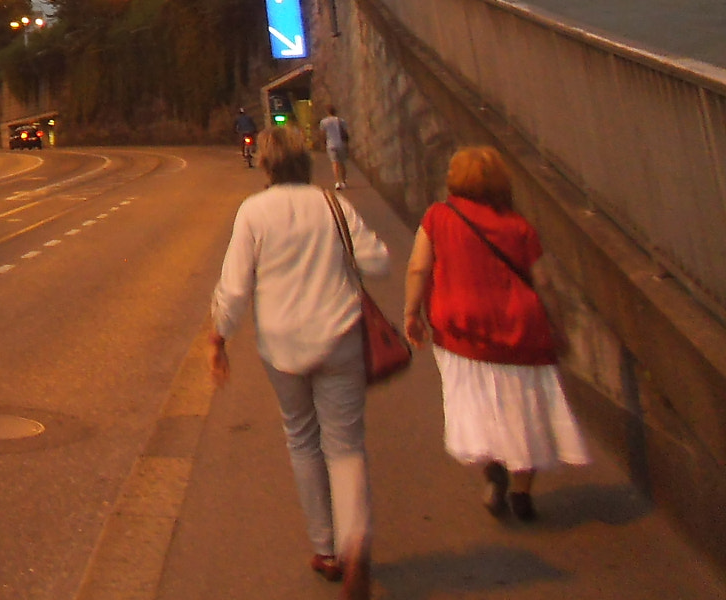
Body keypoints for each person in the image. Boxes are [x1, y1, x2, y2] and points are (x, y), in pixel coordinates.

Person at [210, 125, 388, 597]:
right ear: (305, 162)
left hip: (282, 345)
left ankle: (326, 548)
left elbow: (234, 287)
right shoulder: (334, 204)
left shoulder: (253, 212)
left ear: (266, 165)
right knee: (345, 444)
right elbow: (378, 263)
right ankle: (356, 541)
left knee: (302, 438)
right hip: (340, 336)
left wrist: (219, 336)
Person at [403, 147, 587, 521]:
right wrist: (557, 327)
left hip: (461, 330)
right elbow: (543, 282)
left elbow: (418, 268)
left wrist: (411, 312)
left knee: (476, 404)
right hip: (522, 330)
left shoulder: (439, 216)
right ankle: (522, 492)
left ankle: (493, 469)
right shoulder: (519, 226)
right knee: (527, 409)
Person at [318, 106, 351, 190]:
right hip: (341, 144)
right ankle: (344, 182)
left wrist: (322, 144)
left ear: (327, 112)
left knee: (334, 163)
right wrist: (347, 144)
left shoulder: (324, 122)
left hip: (330, 144)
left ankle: (337, 182)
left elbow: (322, 134)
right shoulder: (341, 121)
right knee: (342, 163)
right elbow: (345, 133)